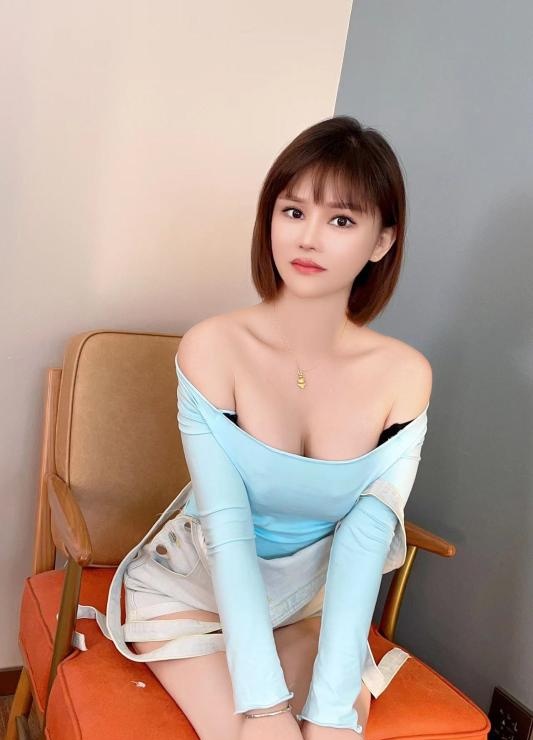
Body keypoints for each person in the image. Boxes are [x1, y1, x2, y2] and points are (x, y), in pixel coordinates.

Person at [80, 115, 432, 740]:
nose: (309, 239)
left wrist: (330, 711)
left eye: (341, 221)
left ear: (382, 241)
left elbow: (364, 539)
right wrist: (266, 708)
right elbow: (227, 525)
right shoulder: (213, 348)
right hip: (194, 588)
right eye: (293, 212)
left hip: (307, 603)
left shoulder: (403, 377)